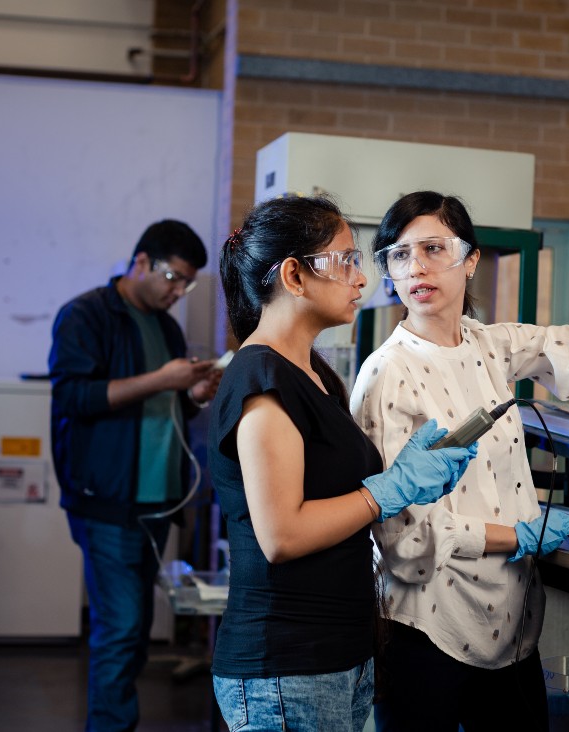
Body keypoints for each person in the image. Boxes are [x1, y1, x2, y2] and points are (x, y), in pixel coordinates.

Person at [350, 185, 569, 731]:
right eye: (399, 255)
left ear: (470, 260)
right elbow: (405, 539)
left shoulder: (491, 345)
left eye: (434, 248)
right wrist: (518, 536)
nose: (416, 267)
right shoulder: (386, 372)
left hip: (512, 626)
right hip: (427, 629)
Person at [209, 195, 477, 731]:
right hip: (287, 662)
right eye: (346, 260)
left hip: (338, 654)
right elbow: (281, 535)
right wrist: (385, 492)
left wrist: (402, 479)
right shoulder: (262, 379)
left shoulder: (312, 373)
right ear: (294, 276)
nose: (361, 278)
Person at [49, 219, 222, 732]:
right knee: (121, 626)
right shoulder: (86, 315)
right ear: (141, 262)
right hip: (107, 499)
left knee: (137, 625)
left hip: (158, 500)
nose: (177, 291)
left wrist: (191, 395)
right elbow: (73, 397)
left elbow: (165, 408)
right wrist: (162, 379)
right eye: (173, 278)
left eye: (187, 283)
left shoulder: (166, 328)